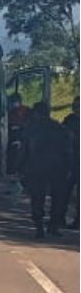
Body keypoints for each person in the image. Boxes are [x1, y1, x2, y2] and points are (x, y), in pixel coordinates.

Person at [21, 101, 71, 238]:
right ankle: (53, 225)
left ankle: (39, 226)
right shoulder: (59, 128)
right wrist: (69, 168)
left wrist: (19, 169)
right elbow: (68, 151)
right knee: (58, 198)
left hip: (36, 168)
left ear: (36, 113)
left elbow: (24, 151)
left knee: (37, 198)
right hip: (58, 168)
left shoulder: (31, 129)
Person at [64, 97, 79, 230]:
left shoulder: (70, 121)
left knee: (65, 192)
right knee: (65, 192)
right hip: (71, 161)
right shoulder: (70, 120)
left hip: (72, 161)